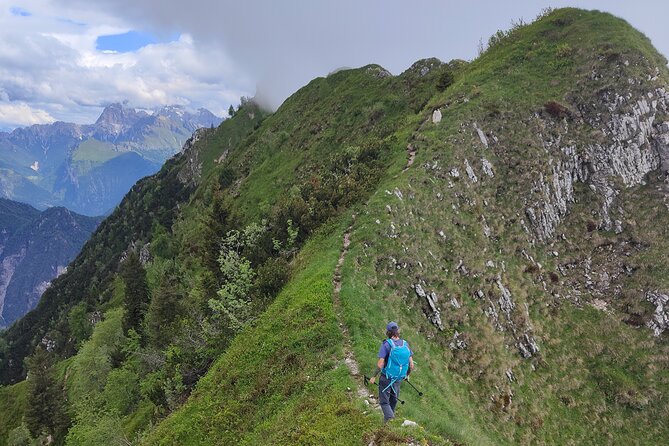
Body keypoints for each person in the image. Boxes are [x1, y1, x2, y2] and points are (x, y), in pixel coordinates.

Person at [369, 321, 415, 423]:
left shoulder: (387, 344)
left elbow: (380, 364)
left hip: (386, 377)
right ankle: (387, 426)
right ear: (397, 331)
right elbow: (411, 364)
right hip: (398, 378)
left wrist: (373, 376)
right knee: (393, 401)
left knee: (384, 402)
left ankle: (390, 420)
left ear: (388, 332)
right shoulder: (405, 344)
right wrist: (407, 375)